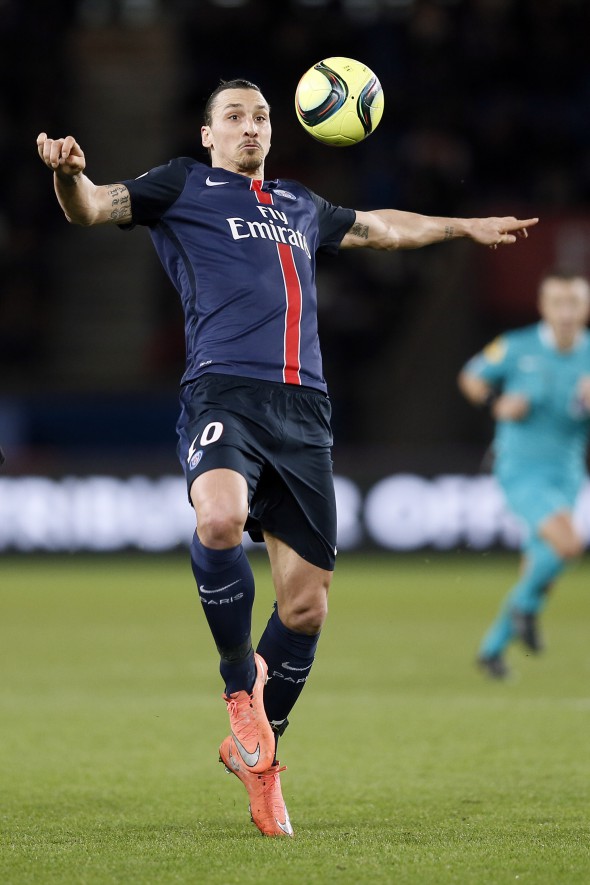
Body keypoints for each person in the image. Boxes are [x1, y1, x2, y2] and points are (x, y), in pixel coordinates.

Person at [37, 77, 537, 837]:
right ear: (208, 134)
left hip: (305, 411)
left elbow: (380, 228)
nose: (249, 126)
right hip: (223, 394)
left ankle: (259, 759)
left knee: (306, 605)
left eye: (260, 116)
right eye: (233, 116)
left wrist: (462, 225)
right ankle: (240, 684)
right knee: (220, 518)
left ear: (274, 131)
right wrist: (69, 174)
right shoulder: (181, 184)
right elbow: (95, 207)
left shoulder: (300, 205)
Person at [458, 270, 590, 679]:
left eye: (575, 303)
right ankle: (525, 612)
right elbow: (471, 377)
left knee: (543, 565)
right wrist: (499, 402)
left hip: (567, 472)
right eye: (558, 303)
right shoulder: (516, 347)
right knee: (568, 544)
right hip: (521, 470)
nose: (566, 312)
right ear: (543, 307)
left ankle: (492, 649)